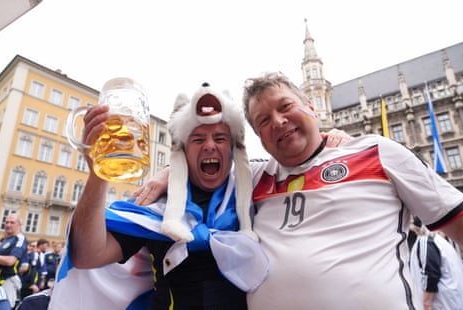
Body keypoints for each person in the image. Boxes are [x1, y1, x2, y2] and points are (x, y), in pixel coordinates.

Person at [139, 72, 463, 309]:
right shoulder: (253, 176)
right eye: (263, 120)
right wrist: (171, 171)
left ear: (311, 106)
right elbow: (207, 158)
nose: (278, 121)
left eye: (285, 107)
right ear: (259, 139)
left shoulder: (376, 152)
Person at [50, 83, 270, 309]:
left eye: (221, 138)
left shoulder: (258, 189)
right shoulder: (155, 204)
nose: (210, 146)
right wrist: (98, 173)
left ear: (233, 149)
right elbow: (88, 255)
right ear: (182, 152)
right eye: (198, 139)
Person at [409, 218, 463, 310]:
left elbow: (431, 273)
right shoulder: (439, 241)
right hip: (452, 302)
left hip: (441, 304)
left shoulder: (425, 241)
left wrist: (427, 303)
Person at [0, 214, 28, 310]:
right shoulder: (4, 240)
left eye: (12, 222)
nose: (8, 225)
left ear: (19, 225)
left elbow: (10, 261)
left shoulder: (20, 238)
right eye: (6, 222)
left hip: (7, 282)